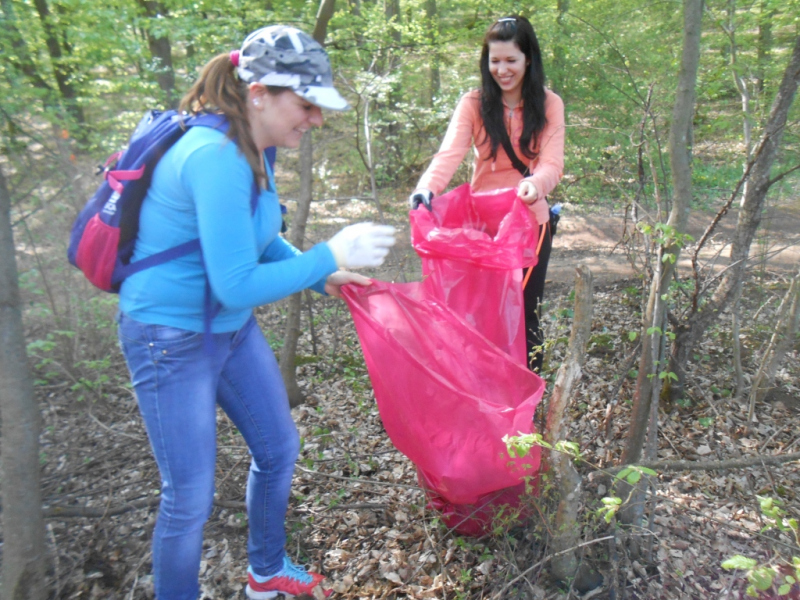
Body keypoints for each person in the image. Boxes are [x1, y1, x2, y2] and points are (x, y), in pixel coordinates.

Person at [117, 25, 395, 600]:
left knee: (277, 447)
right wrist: (329, 252)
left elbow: (259, 240)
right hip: (167, 337)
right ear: (260, 93)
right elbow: (236, 284)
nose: (316, 120)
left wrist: (320, 275)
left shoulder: (254, 148)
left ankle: (266, 573)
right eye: (307, 104)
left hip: (227, 330)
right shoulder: (214, 155)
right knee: (188, 497)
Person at [409, 15, 565, 372]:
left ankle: (526, 397)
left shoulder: (549, 103)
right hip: (481, 228)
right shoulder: (474, 103)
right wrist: (425, 189)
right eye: (495, 60)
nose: (502, 70)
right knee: (478, 315)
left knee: (524, 315)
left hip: (529, 223)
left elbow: (552, 164)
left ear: (529, 59)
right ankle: (483, 390)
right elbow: (448, 155)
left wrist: (535, 185)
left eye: (511, 60)